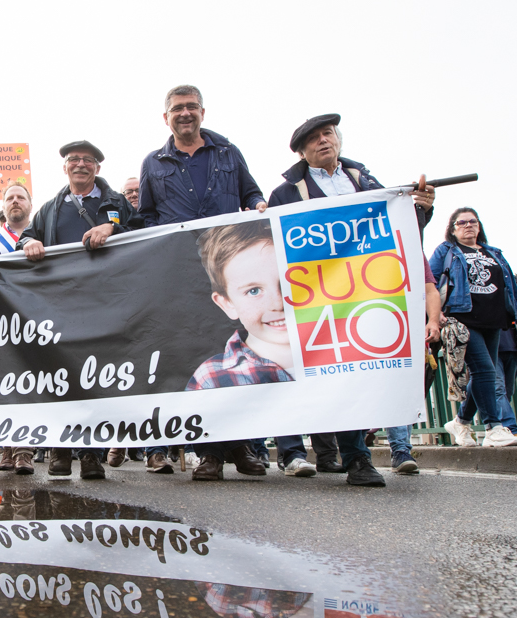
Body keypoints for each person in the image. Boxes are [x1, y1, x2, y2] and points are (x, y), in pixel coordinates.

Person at [268, 114, 438, 484]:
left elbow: (399, 230)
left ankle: (369, 449)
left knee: (369, 370)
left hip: (371, 291)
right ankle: (358, 459)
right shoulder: (285, 194)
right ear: (301, 152)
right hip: (320, 297)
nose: (323, 141)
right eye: (313, 139)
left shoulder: (367, 181)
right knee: (339, 372)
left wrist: (421, 208)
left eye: (327, 134)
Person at [137, 85, 268, 476]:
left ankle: (242, 447)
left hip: (227, 266)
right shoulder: (153, 163)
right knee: (197, 358)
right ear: (166, 117)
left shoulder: (229, 152)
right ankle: (209, 452)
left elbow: (251, 192)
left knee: (235, 353)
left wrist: (260, 206)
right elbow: (145, 216)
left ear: (203, 113)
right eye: (177, 108)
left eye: (191, 106)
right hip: (181, 273)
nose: (185, 113)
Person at [20, 141, 139, 479]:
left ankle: (90, 454)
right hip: (61, 305)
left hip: (105, 303)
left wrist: (113, 227)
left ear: (97, 168)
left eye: (88, 160)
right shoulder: (49, 208)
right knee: (61, 377)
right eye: (74, 160)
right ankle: (60, 452)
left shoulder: (116, 202)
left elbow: (145, 232)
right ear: (65, 167)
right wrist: (30, 243)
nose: (81, 164)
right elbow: (25, 238)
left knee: (95, 377)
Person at [185, 221, 313, 480]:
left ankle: (290, 453)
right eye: (254, 290)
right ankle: (216, 452)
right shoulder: (212, 373)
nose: (277, 302)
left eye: (287, 284)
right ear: (227, 303)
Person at [433, 208, 517, 448]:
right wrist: (436, 313)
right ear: (452, 228)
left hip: (494, 320)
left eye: (473, 221)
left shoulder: (494, 253)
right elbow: (431, 281)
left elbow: (509, 287)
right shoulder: (447, 251)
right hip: (462, 319)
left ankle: (461, 420)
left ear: (479, 226)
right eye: (461, 222)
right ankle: (494, 428)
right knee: (485, 371)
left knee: (482, 374)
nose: (468, 225)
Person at [0, 182, 38, 475]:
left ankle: (24, 450)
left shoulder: (41, 233)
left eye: (21, 197)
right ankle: (6, 446)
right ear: (4, 206)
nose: (15, 201)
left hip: (34, 317)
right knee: (3, 386)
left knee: (29, 387)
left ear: (30, 205)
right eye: (10, 197)